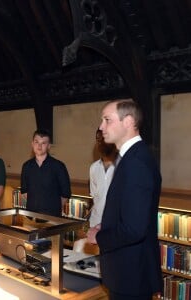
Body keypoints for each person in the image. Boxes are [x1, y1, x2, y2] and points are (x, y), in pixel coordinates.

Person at [87, 99, 162, 300]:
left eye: (107, 120)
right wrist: (107, 224)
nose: (101, 126)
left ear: (128, 121)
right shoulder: (130, 157)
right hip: (126, 271)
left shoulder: (136, 162)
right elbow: (129, 211)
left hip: (131, 274)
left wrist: (99, 237)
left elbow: (133, 229)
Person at [20, 129, 71, 217]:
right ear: (32, 144)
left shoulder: (58, 166)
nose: (39, 146)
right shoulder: (26, 166)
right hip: (31, 217)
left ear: (49, 146)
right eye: (36, 142)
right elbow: (25, 192)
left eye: (43, 143)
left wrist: (53, 209)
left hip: (52, 218)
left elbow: (65, 194)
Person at [89, 129, 118, 228]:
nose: (101, 142)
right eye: (98, 139)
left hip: (115, 225)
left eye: (104, 138)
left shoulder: (122, 167)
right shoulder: (94, 168)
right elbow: (95, 198)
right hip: (95, 223)